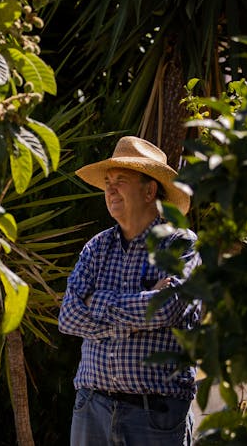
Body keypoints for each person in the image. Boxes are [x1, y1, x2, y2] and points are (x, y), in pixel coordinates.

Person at [59, 135, 201, 446]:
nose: (109, 189)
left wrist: (95, 303)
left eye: (120, 180)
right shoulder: (96, 247)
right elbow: (68, 317)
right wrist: (141, 305)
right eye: (108, 181)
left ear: (150, 190)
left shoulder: (180, 244)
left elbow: (167, 308)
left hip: (155, 415)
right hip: (91, 408)